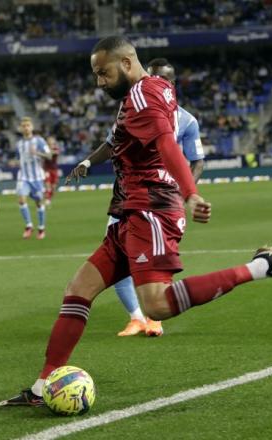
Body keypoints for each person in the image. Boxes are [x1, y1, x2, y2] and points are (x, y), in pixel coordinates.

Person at [0, 37, 272, 407]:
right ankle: (41, 388)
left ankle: (262, 266)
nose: (99, 82)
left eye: (104, 73)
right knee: (78, 289)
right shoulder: (149, 92)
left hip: (151, 210)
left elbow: (166, 144)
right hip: (131, 211)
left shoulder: (143, 96)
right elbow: (122, 142)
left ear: (128, 63)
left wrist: (191, 192)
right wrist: (89, 160)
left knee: (158, 306)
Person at [112, 57, 206, 337]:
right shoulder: (132, 105)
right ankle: (136, 317)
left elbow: (196, 160)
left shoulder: (187, 120)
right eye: (150, 76)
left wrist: (184, 192)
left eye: (162, 78)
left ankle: (153, 317)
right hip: (126, 192)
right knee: (119, 257)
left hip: (160, 198)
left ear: (172, 84)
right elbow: (111, 142)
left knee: (150, 262)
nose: (153, 82)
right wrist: (89, 163)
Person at [16, 117, 51, 239]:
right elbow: (18, 158)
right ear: (21, 128)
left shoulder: (39, 141)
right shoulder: (19, 144)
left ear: (32, 127)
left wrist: (37, 153)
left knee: (39, 202)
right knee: (21, 199)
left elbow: (49, 155)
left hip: (36, 178)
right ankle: (29, 226)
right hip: (23, 177)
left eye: (28, 125)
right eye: (23, 126)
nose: (26, 127)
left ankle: (41, 228)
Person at [43, 136, 60, 206]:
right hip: (47, 169)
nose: (51, 144)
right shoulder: (44, 149)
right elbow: (45, 155)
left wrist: (49, 152)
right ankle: (47, 199)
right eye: (49, 142)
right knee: (48, 185)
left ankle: (48, 198)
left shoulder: (56, 148)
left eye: (52, 142)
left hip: (54, 170)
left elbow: (55, 153)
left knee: (53, 187)